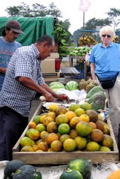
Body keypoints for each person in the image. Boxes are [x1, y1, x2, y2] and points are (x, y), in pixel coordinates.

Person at [0, 35, 69, 161]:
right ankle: (3, 170)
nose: (50, 55)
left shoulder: (35, 58)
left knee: (19, 142)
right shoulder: (25, 53)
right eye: (51, 51)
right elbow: (23, 78)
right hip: (11, 106)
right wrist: (44, 93)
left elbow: (40, 81)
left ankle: (13, 167)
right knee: (7, 142)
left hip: (22, 107)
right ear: (44, 46)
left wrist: (56, 95)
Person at [89, 25, 120, 140]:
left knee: (116, 106)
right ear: (100, 36)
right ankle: (102, 129)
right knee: (100, 106)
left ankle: (118, 130)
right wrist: (94, 79)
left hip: (116, 79)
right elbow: (92, 66)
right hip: (100, 81)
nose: (106, 38)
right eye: (103, 35)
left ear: (113, 37)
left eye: (109, 36)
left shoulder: (118, 48)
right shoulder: (95, 49)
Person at [0, 20, 23, 90]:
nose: (16, 36)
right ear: (6, 30)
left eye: (18, 33)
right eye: (14, 32)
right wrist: (2, 70)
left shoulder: (19, 46)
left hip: (10, 85)